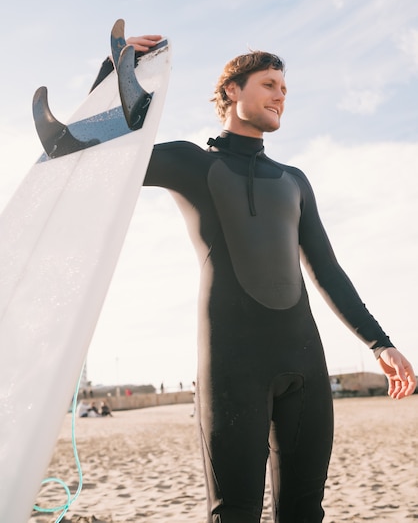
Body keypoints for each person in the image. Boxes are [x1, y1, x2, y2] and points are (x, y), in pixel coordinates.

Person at [95, 35, 416, 523]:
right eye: (269, 84)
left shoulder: (294, 180)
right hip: (231, 368)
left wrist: (380, 343)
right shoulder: (190, 162)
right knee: (235, 513)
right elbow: (109, 153)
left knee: (305, 511)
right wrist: (116, 69)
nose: (280, 95)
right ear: (231, 91)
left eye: (285, 88)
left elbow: (327, 269)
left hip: (304, 365)